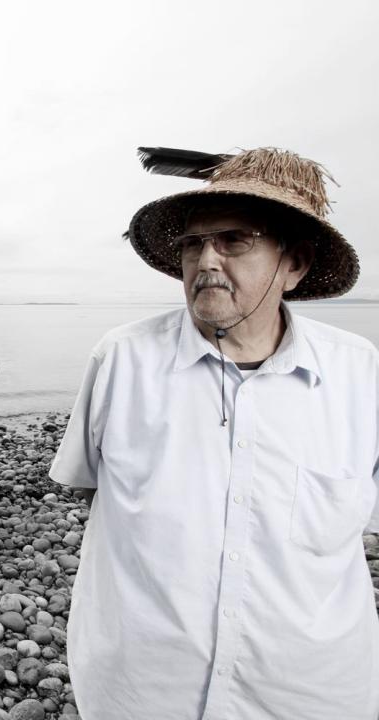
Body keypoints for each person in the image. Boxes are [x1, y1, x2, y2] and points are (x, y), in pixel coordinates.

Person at [49, 147, 379, 719]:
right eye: (193, 243)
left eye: (233, 240)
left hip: (311, 696)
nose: (206, 261)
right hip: (143, 694)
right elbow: (87, 487)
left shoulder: (359, 375)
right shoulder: (122, 361)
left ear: (295, 264)